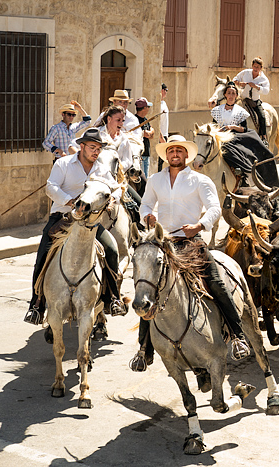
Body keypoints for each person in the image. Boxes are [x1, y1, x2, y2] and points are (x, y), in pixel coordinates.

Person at [140, 135, 251, 361]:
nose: (175, 154)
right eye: (171, 151)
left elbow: (214, 209)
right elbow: (145, 205)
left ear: (187, 155)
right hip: (163, 242)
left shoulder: (200, 181)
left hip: (190, 240)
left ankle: (238, 335)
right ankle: (144, 349)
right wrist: (147, 217)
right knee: (146, 286)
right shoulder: (155, 180)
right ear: (166, 155)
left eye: (179, 151)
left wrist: (199, 225)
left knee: (217, 282)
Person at [25, 128, 127, 327]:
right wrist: (71, 202)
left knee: (113, 249)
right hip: (62, 219)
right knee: (43, 256)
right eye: (92, 147)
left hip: (89, 223)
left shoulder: (101, 168)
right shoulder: (64, 164)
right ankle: (36, 305)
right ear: (81, 147)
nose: (95, 152)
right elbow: (51, 187)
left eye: (98, 149)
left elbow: (116, 187)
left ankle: (113, 298)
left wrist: (112, 199)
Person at [211, 81, 279, 187]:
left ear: (236, 96)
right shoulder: (217, 110)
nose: (231, 96)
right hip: (221, 136)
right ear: (225, 95)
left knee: (236, 146)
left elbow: (244, 128)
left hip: (235, 135)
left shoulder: (240, 111)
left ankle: (246, 172)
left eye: (233, 93)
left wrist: (232, 127)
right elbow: (213, 126)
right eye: (229, 93)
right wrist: (219, 131)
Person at [234, 57, 270, 142]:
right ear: (252, 66)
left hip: (254, 101)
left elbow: (266, 91)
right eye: (254, 66)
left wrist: (256, 87)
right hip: (243, 99)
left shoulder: (263, 79)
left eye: (258, 67)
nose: (255, 69)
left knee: (262, 116)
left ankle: (263, 136)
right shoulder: (245, 73)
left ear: (261, 68)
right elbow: (234, 80)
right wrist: (239, 83)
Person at [135, 98, 155, 176]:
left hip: (146, 153)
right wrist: (148, 133)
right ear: (144, 108)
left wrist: (149, 132)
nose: (149, 109)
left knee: (146, 176)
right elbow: (145, 134)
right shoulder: (135, 120)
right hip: (140, 155)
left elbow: (151, 134)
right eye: (148, 107)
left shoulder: (145, 120)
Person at [158, 83, 169, 171]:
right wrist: (161, 137)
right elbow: (157, 122)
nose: (166, 92)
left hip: (164, 135)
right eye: (166, 90)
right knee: (159, 160)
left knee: (162, 161)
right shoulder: (158, 105)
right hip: (160, 136)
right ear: (162, 90)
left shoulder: (163, 103)